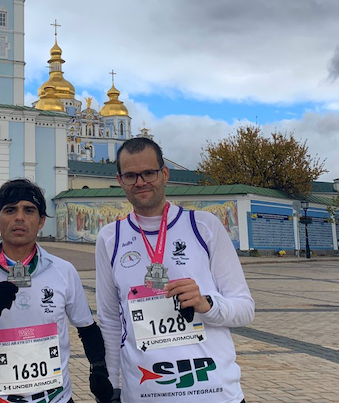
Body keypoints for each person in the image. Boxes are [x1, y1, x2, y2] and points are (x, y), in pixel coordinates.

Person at [96, 137, 254, 403]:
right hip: (146, 394)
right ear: (120, 180)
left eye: (149, 173)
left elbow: (245, 309)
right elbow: (111, 322)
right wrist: (110, 386)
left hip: (213, 393)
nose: (141, 182)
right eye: (131, 175)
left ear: (165, 174)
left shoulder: (204, 226)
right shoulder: (110, 237)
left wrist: (206, 304)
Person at [0, 179, 113, 403]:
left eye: (29, 210)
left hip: (57, 399)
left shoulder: (63, 271)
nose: (19, 217)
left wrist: (99, 368)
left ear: (41, 221)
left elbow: (87, 329)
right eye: (10, 210)